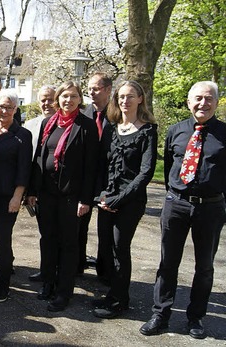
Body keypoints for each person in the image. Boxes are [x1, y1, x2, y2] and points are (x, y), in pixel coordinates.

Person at [140, 81, 226, 339]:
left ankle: (196, 318)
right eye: (198, 98)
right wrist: (173, 195)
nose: (203, 103)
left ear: (216, 102)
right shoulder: (176, 131)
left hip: (210, 208)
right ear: (189, 102)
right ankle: (160, 314)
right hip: (176, 204)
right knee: (168, 263)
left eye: (209, 98)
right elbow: (169, 169)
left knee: (204, 266)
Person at [26, 81, 98, 312]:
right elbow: (39, 158)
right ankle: (48, 282)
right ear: (58, 99)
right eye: (64, 96)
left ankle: (63, 291)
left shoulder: (86, 126)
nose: (68, 100)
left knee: (68, 244)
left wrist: (86, 200)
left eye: (73, 96)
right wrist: (33, 191)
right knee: (48, 239)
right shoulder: (50, 123)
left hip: (71, 196)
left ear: (80, 99)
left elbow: (91, 168)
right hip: (47, 194)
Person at [91, 81, 157, 319]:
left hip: (130, 202)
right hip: (107, 199)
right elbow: (101, 165)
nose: (124, 101)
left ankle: (120, 300)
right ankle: (112, 293)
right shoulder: (111, 127)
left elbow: (146, 173)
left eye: (130, 96)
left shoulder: (148, 131)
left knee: (121, 249)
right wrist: (101, 196)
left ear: (140, 99)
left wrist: (119, 199)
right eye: (121, 97)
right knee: (105, 248)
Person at [0, 89, 33, 302]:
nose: (3, 110)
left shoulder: (22, 135)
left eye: (8, 107)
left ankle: (3, 284)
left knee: (2, 238)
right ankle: (4, 268)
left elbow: (24, 169)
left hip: (7, 196)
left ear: (15, 109)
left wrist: (17, 196)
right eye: (0, 106)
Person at [23, 86, 56, 283]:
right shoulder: (31, 124)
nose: (46, 103)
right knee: (45, 233)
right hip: (37, 188)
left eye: (50, 99)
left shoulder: (65, 125)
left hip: (59, 189)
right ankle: (46, 270)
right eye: (43, 99)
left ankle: (60, 271)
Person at [83, 72, 114, 279]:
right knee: (78, 226)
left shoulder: (117, 114)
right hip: (84, 178)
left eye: (96, 88)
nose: (91, 93)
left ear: (108, 90)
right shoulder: (83, 113)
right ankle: (77, 265)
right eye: (89, 89)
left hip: (108, 179)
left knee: (106, 230)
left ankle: (105, 271)